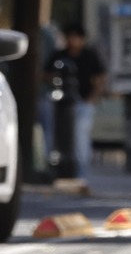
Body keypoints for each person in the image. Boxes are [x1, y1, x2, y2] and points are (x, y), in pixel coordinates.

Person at [44, 22, 107, 183]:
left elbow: (100, 79)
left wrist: (91, 99)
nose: (72, 40)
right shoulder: (59, 55)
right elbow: (45, 74)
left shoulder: (89, 55)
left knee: (81, 138)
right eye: (69, 37)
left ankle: (81, 173)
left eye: (75, 37)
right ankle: (59, 171)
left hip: (83, 101)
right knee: (56, 137)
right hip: (61, 105)